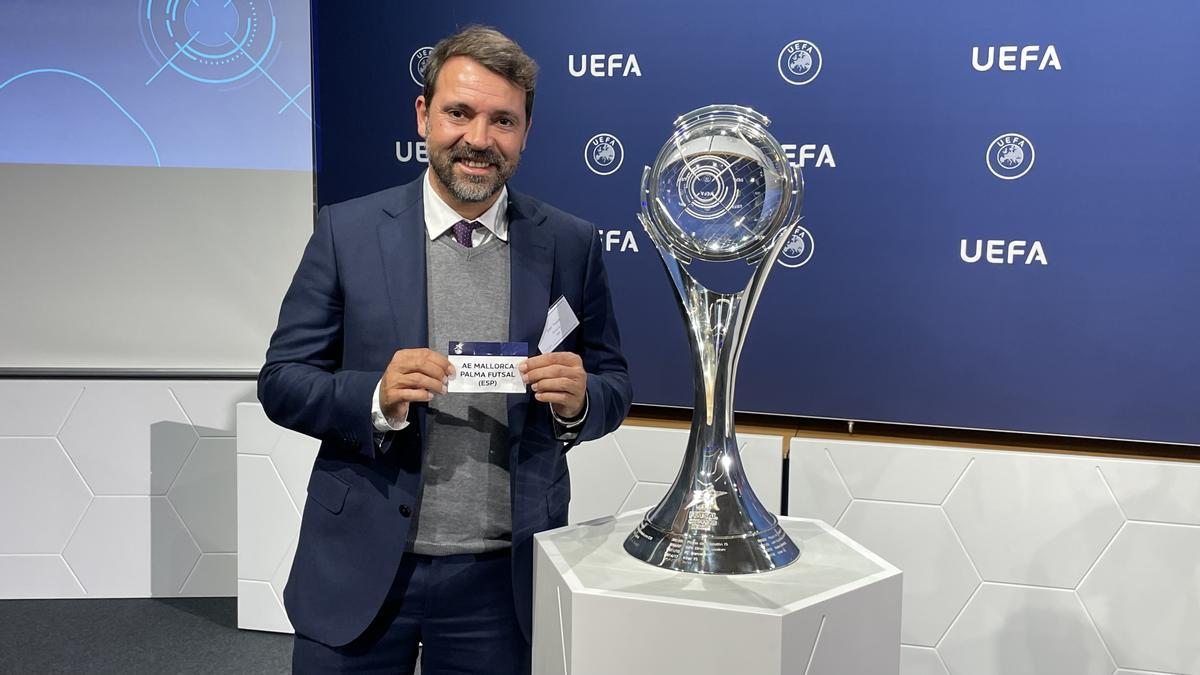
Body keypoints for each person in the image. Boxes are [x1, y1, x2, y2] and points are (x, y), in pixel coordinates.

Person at [258, 26, 631, 674]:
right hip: (360, 565)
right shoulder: (347, 232)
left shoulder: (571, 246)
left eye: (502, 120)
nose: (479, 138)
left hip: (500, 579)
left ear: (525, 130)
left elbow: (613, 382)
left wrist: (582, 401)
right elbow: (283, 379)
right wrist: (374, 396)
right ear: (424, 115)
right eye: (459, 112)